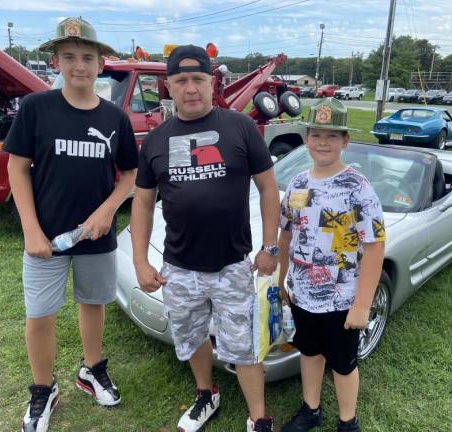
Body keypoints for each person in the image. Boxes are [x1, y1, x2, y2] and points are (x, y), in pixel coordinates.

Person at [131, 44, 280, 432]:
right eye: (181, 80)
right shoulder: (157, 139)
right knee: (192, 336)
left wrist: (271, 245)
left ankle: (258, 417)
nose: (191, 88)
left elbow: (268, 189)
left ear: (212, 81)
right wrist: (140, 261)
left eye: (198, 79)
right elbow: (143, 204)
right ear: (169, 86)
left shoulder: (240, 127)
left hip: (232, 264)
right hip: (179, 268)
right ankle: (205, 394)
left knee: (244, 345)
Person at [4, 17, 138, 432]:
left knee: (92, 303)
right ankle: (43, 388)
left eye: (87, 57)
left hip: (95, 236)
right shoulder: (36, 108)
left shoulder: (116, 117)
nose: (79, 65)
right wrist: (31, 229)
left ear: (101, 63)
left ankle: (91, 369)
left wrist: (108, 210)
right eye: (69, 57)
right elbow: (17, 168)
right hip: (45, 236)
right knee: (40, 314)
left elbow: (130, 176)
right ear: (55, 62)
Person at [278, 98, 386, 432]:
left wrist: (362, 305)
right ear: (306, 138)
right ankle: (311, 410)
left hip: (341, 300)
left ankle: (347, 421)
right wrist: (284, 282)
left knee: (342, 364)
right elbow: (286, 235)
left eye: (333, 135)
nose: (324, 142)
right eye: (317, 134)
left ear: (345, 141)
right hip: (302, 294)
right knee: (309, 354)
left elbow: (375, 246)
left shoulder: (358, 188)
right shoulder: (296, 185)